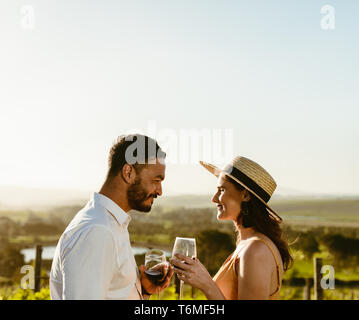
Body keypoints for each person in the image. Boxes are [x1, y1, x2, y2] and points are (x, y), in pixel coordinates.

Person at [50, 134, 173, 299]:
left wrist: (142, 290)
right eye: (156, 180)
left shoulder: (111, 223)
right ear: (128, 172)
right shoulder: (98, 231)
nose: (159, 191)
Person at [171, 156, 293, 300]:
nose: (214, 198)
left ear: (245, 195)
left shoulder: (255, 250)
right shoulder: (247, 244)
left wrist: (207, 284)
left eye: (221, 190)